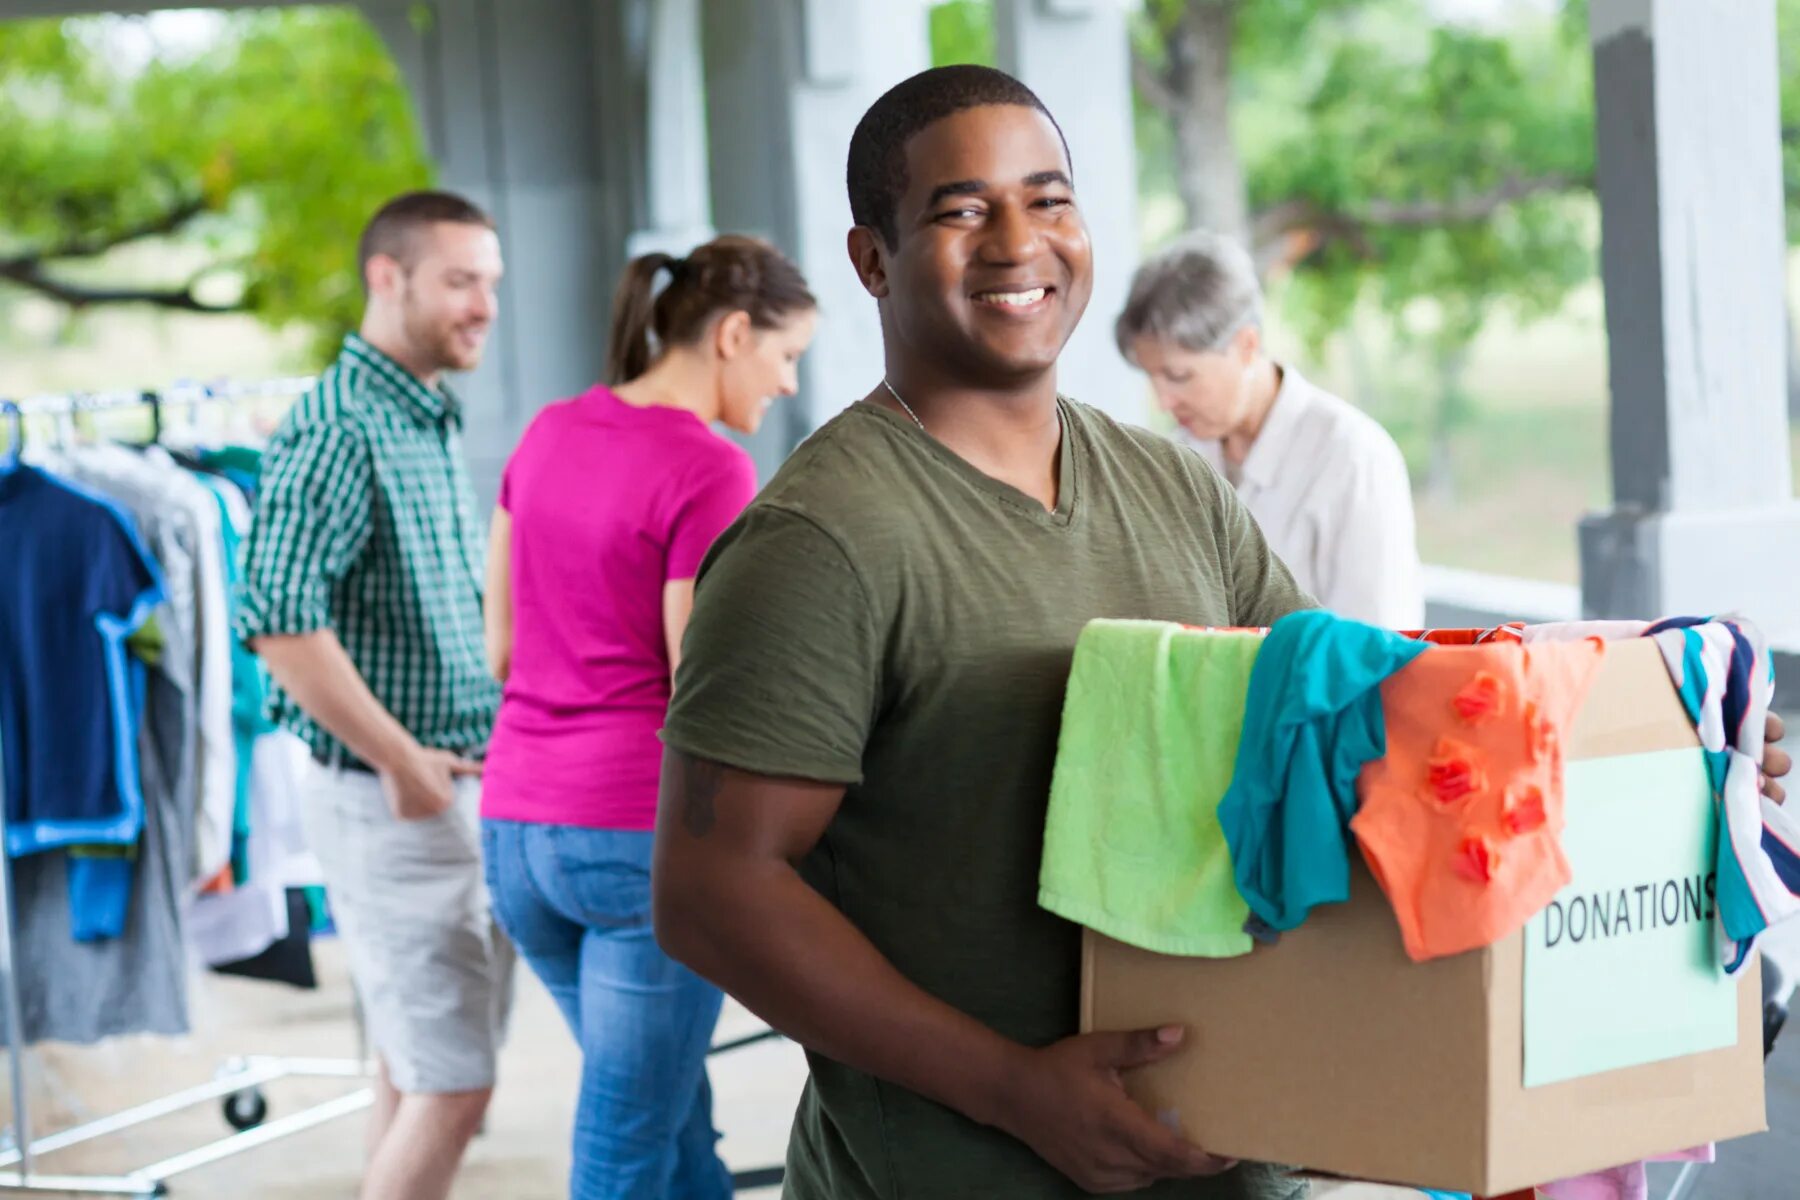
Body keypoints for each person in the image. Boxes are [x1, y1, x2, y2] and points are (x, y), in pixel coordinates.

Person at [650, 65, 1304, 1200]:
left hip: (1225, 1162)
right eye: (962, 210)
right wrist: (1019, 1089)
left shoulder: (1171, 484)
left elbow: (1328, 712)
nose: (1019, 241)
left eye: (1049, 200)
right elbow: (713, 892)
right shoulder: (821, 539)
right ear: (872, 259)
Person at [479, 236, 817, 1199]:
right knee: (626, 1147)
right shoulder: (710, 467)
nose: (788, 383)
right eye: (785, 356)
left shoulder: (547, 430)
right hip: (630, 849)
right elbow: (698, 679)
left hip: (515, 836)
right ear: (734, 334)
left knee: (670, 1120)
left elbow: (501, 648)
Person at [237, 190, 513, 1200]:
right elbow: (272, 612)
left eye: (490, 282)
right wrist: (402, 761)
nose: (483, 305)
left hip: (444, 786)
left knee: (415, 1065)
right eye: (458, 282)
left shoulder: (420, 409)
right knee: (455, 1085)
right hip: (392, 797)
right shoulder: (341, 423)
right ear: (385, 278)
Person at [1116, 232, 1424, 628]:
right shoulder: (1176, 459)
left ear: (1247, 345)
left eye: (1178, 376)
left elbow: (1378, 647)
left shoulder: (1353, 457)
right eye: (1151, 376)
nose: (1163, 402)